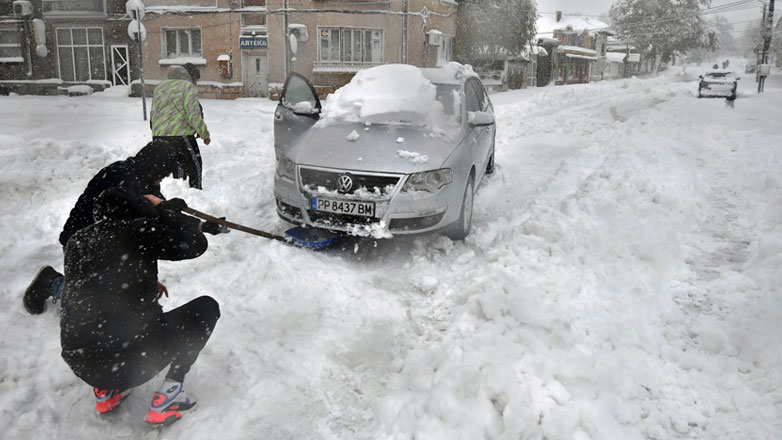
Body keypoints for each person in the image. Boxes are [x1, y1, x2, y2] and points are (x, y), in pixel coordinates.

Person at [60, 187, 225, 426]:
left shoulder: (77, 241)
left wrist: (141, 280)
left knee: (102, 325)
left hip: (82, 363)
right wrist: (167, 212)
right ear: (135, 210)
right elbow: (196, 243)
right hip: (131, 362)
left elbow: (93, 282)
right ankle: (169, 398)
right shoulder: (137, 231)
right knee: (206, 308)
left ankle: (106, 392)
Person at [23, 140, 180, 315]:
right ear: (153, 167)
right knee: (101, 305)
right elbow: (133, 234)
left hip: (107, 244)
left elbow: (153, 224)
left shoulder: (146, 180)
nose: (163, 178)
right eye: (162, 173)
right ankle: (51, 283)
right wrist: (141, 279)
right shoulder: (120, 178)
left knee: (125, 295)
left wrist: (147, 279)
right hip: (81, 244)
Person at [150, 63, 210, 190]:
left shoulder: (159, 88)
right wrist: (204, 134)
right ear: (190, 76)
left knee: (176, 167)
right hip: (180, 136)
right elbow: (193, 114)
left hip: (159, 136)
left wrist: (159, 132)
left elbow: (153, 114)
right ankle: (196, 193)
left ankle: (177, 192)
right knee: (194, 166)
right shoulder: (187, 87)